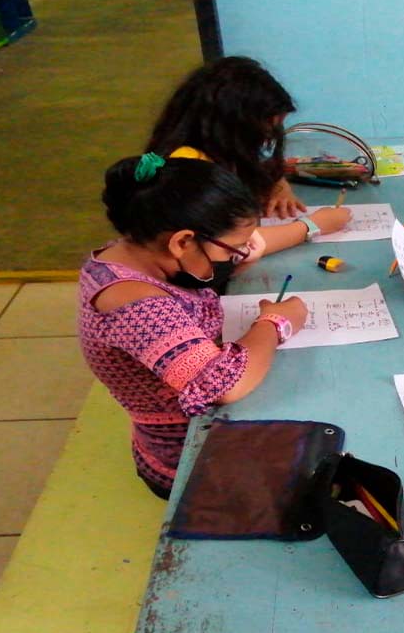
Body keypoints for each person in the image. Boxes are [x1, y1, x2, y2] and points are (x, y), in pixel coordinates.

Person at [78, 153, 308, 499]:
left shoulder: (133, 254)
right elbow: (223, 386)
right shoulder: (134, 302)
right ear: (183, 241)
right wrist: (275, 323)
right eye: (233, 250)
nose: (240, 256)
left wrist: (310, 228)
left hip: (199, 431)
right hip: (189, 461)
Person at [146, 56, 352, 257]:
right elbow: (226, 247)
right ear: (234, 125)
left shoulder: (217, 152)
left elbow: (253, 168)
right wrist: (312, 226)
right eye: (265, 133)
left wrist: (277, 185)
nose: (266, 142)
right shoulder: (187, 166)